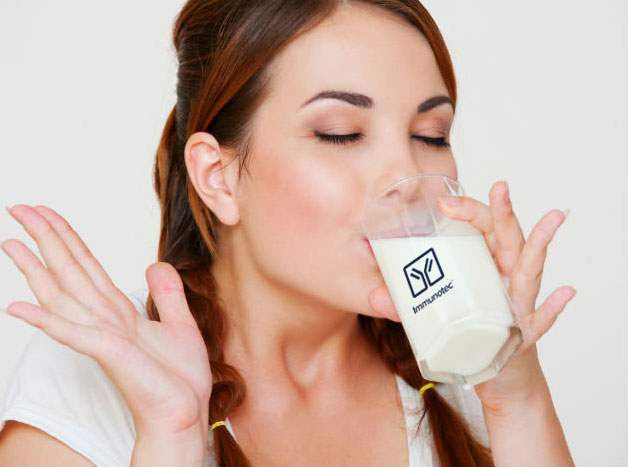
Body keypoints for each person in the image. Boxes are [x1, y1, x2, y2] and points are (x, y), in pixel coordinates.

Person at [0, 0, 576, 466]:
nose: (406, 177)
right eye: (340, 133)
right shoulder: (100, 376)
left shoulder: (461, 369)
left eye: (431, 135)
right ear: (218, 177)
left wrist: (518, 396)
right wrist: (171, 441)